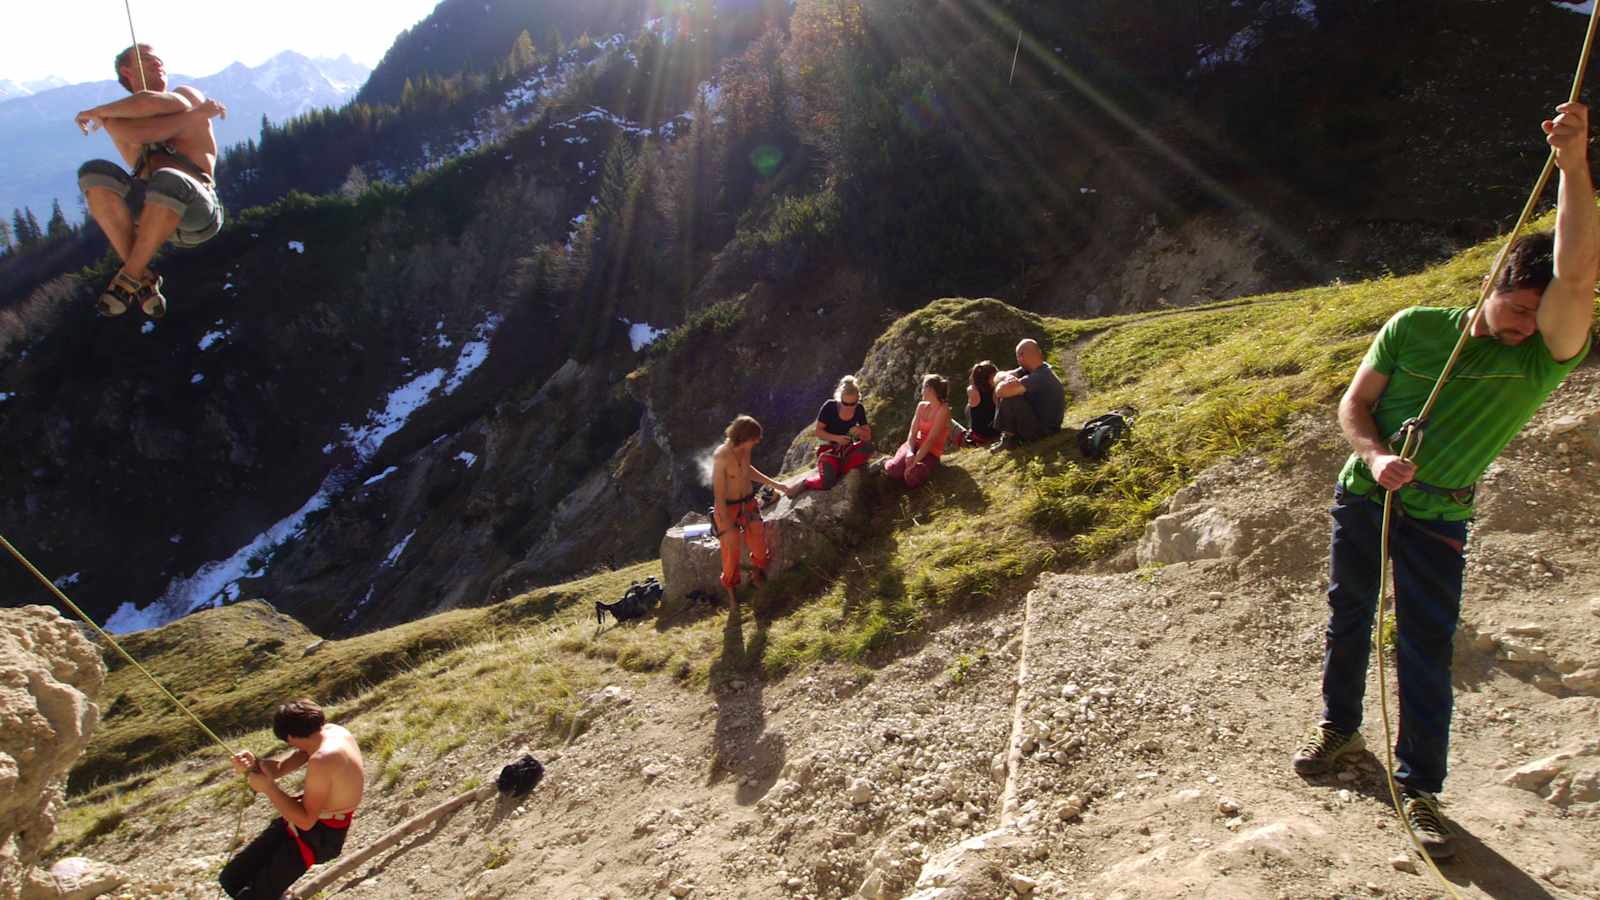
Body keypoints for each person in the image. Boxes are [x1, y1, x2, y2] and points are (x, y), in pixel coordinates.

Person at [1292, 103, 1598, 861]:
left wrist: (1574, 166)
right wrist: (1369, 457)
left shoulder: (1539, 359)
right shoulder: (1412, 326)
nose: (1528, 327)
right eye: (1520, 308)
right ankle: (1339, 730)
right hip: (1365, 498)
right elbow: (1354, 404)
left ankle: (1420, 788)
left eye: (1539, 315)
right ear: (1494, 281)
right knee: (1348, 619)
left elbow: (1578, 273)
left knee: (1425, 647)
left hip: (1439, 514)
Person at [75, 43, 227, 318]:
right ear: (127, 72)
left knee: (169, 178)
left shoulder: (186, 95)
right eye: (147, 59)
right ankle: (142, 278)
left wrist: (97, 112)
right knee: (93, 174)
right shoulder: (119, 120)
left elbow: (148, 105)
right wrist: (191, 119)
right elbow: (143, 130)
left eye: (158, 58)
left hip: (198, 210)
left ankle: (130, 277)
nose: (158, 62)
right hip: (153, 214)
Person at [220, 699, 365, 898]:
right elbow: (280, 768)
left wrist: (269, 789)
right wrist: (254, 765)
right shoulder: (330, 731)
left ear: (290, 738)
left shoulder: (323, 759)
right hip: (308, 825)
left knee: (250, 896)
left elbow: (306, 821)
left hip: (321, 836)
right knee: (231, 878)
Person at [711, 415, 793, 608]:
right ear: (743, 436)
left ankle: (757, 573)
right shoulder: (721, 455)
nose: (756, 442)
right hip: (727, 507)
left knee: (759, 543)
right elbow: (719, 492)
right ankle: (731, 592)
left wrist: (775, 484)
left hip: (748, 503)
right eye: (754, 438)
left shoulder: (745, 450)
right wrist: (725, 522)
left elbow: (748, 471)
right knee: (730, 550)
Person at [793, 375, 873, 494]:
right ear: (840, 399)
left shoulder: (859, 409)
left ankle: (838, 468)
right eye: (846, 403)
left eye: (853, 403)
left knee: (868, 447)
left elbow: (867, 436)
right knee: (827, 483)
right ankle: (807, 482)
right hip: (828, 450)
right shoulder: (830, 407)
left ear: (858, 399)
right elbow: (818, 432)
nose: (849, 407)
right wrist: (837, 438)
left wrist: (860, 431)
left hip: (846, 449)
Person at [989, 339, 1065, 451]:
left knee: (1011, 398)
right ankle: (1010, 437)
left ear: (1021, 357)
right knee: (1011, 393)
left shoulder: (1038, 377)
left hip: (1044, 432)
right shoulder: (1040, 369)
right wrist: (1007, 378)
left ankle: (1008, 439)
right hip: (1050, 427)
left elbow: (1001, 391)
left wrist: (1005, 384)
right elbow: (998, 376)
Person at [885, 375, 952, 489]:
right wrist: (910, 452)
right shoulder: (921, 406)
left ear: (929, 389)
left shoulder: (943, 410)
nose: (921, 391)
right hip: (913, 445)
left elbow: (931, 440)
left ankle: (910, 470)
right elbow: (912, 432)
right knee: (893, 470)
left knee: (913, 477)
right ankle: (887, 461)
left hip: (931, 453)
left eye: (922, 388)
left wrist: (914, 462)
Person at [957, 360, 1001, 447]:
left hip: (979, 436)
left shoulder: (972, 391)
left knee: (968, 407)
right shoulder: (996, 391)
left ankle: (970, 431)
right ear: (991, 376)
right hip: (995, 431)